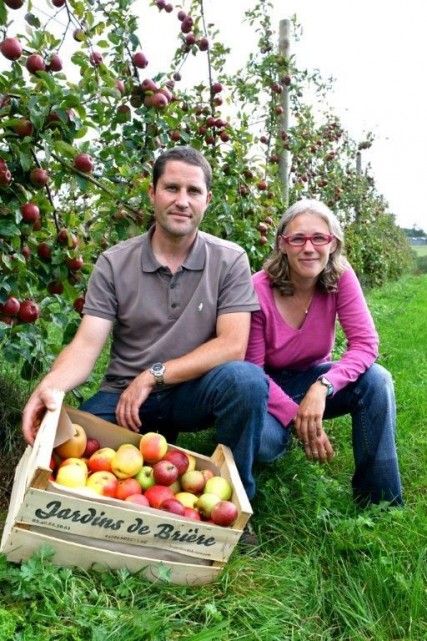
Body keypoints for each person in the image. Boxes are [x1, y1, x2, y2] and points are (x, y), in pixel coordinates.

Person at [22, 146, 269, 501]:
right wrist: (50, 388)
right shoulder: (114, 263)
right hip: (125, 398)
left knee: (246, 381)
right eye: (171, 188)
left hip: (190, 394)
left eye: (193, 191)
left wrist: (152, 375)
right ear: (152, 193)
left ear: (207, 200)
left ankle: (235, 501)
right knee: (71, 445)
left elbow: (232, 345)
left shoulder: (230, 260)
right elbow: (86, 345)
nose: (182, 201)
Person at [245, 198, 403, 507]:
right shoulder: (257, 289)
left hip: (310, 380)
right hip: (265, 387)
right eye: (298, 238)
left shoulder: (340, 278)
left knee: (377, 381)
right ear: (282, 244)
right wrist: (297, 419)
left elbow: (365, 344)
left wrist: (322, 386)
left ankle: (381, 501)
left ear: (332, 243)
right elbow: (252, 371)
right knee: (266, 446)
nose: (309, 247)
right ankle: (279, 434)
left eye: (319, 238)